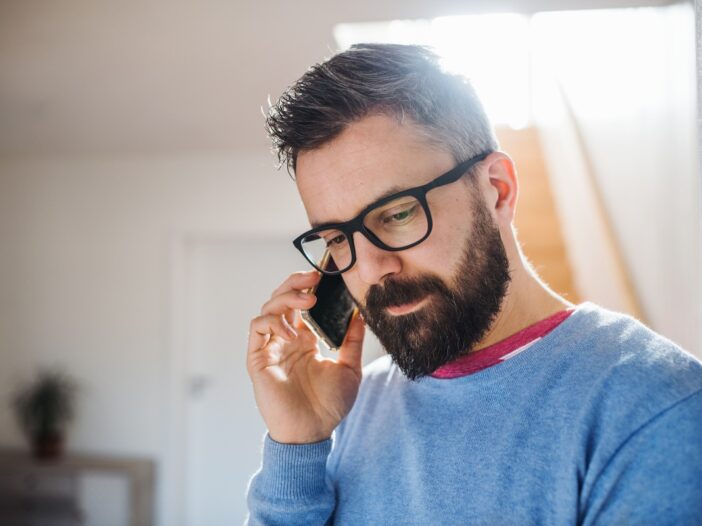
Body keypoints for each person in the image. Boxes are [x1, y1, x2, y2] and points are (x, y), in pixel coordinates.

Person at [245, 44, 702, 525]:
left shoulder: (654, 407)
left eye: (398, 213)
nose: (372, 268)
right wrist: (298, 446)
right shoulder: (348, 408)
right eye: (339, 238)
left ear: (497, 189)